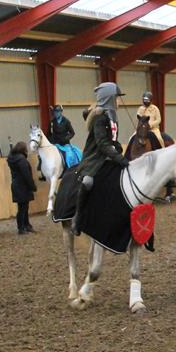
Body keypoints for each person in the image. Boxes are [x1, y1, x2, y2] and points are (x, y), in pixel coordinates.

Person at [72, 82, 129, 236]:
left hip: (109, 156)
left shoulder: (113, 116)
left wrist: (118, 148)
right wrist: (121, 159)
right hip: (94, 157)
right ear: (109, 98)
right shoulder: (99, 118)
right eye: (117, 98)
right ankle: (78, 217)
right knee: (88, 182)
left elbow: (112, 140)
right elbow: (102, 144)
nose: (119, 101)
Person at [8, 141, 36, 234]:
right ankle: (22, 227)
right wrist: (32, 186)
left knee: (23, 207)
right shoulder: (21, 160)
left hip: (16, 185)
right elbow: (26, 174)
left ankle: (26, 225)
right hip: (23, 186)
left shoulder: (13, 159)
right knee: (23, 208)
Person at [45, 104, 75, 180]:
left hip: (65, 144)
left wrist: (66, 138)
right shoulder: (52, 122)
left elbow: (72, 133)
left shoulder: (66, 121)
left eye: (58, 112)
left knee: (69, 156)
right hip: (55, 144)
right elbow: (48, 134)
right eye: (55, 112)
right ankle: (44, 172)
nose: (56, 113)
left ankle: (68, 170)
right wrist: (51, 141)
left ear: (61, 112)